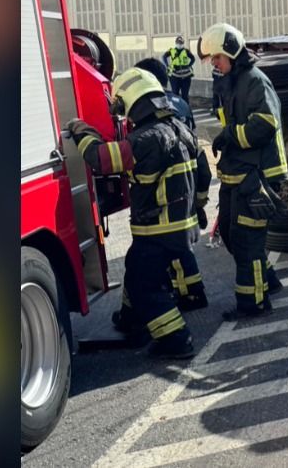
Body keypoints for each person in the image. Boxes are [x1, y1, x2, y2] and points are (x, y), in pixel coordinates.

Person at [64, 67, 210, 359]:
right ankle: (132, 319)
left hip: (157, 231)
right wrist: (200, 206)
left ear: (132, 102)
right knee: (136, 269)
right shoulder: (181, 128)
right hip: (181, 228)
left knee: (146, 287)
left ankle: (176, 340)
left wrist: (82, 131)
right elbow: (204, 173)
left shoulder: (145, 139)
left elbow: (101, 159)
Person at [197, 23, 288, 320]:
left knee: (248, 241)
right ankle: (268, 281)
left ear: (233, 52)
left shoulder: (254, 81)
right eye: (212, 60)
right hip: (237, 175)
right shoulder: (231, 82)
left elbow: (264, 124)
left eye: (218, 58)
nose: (215, 64)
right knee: (230, 233)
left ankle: (254, 303)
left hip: (259, 175)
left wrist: (230, 135)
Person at [134, 57, 211, 312]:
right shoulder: (180, 103)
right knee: (182, 245)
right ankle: (193, 290)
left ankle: (187, 294)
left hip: (171, 184)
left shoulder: (151, 109)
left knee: (172, 243)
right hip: (192, 171)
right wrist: (200, 202)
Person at [161, 35, 195, 100]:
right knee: (175, 95)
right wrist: (167, 65)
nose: (179, 44)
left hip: (186, 76)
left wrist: (189, 65)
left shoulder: (186, 51)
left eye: (181, 43)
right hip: (174, 76)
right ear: (176, 43)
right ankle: (176, 109)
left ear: (183, 43)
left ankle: (185, 108)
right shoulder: (172, 50)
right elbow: (164, 57)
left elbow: (193, 58)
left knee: (185, 96)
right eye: (178, 43)